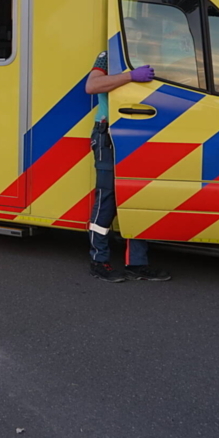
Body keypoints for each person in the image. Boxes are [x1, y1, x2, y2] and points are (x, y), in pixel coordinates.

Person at [84, 52, 171, 283]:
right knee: (107, 197)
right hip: (108, 133)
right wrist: (130, 76)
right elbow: (92, 86)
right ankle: (98, 261)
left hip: (141, 132)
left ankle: (137, 263)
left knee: (138, 194)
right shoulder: (108, 55)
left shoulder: (154, 52)